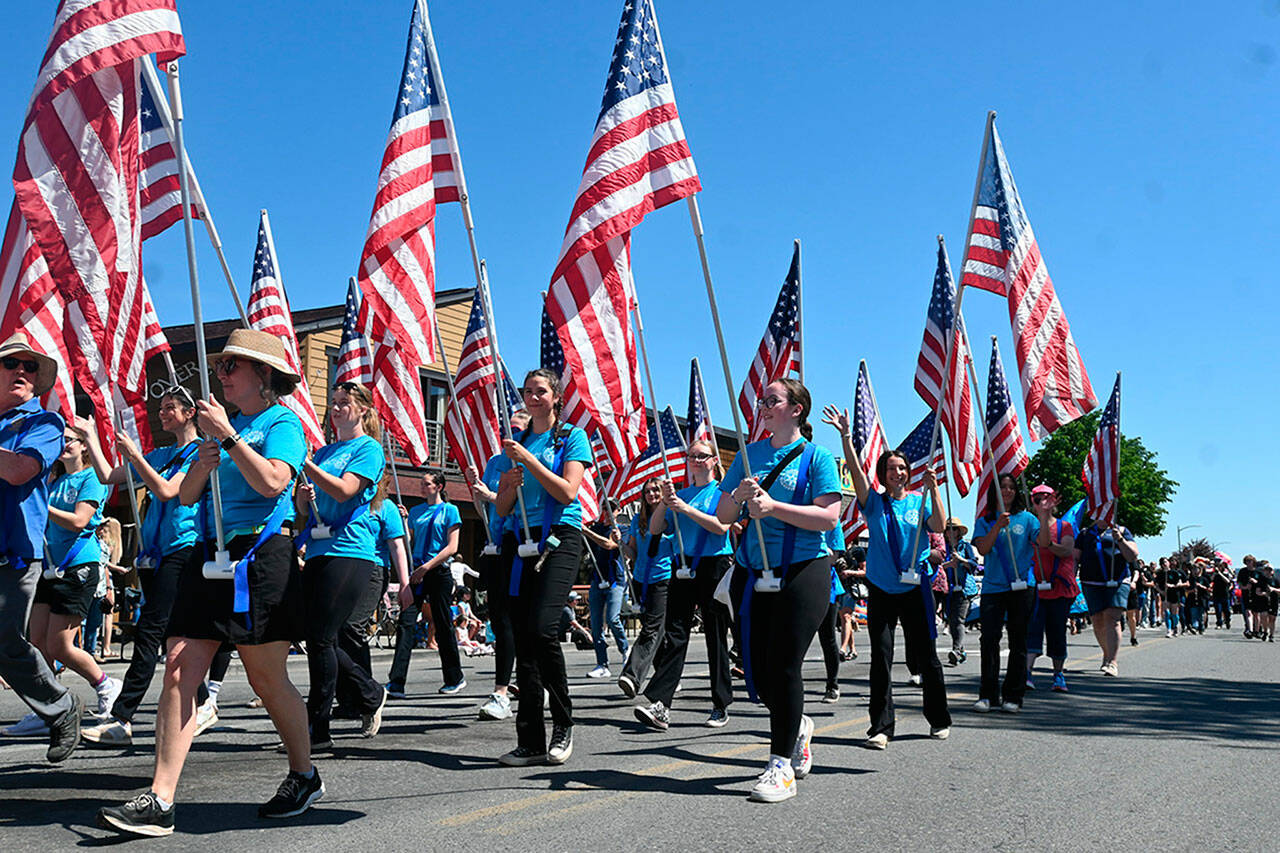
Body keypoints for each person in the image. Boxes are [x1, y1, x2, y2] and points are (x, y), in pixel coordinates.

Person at [97, 329, 318, 836]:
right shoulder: (224, 426)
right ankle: (161, 797)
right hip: (210, 552)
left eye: (230, 368)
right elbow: (187, 496)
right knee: (178, 666)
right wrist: (205, 454)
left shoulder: (282, 421)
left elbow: (273, 483)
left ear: (263, 375)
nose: (220, 376)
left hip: (260, 554)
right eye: (219, 369)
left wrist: (233, 440)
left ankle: (303, 773)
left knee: (265, 678)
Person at [710, 379, 840, 804]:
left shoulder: (818, 457)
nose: (763, 405)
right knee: (759, 671)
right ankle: (798, 724)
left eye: (773, 400)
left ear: (797, 408)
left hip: (803, 568)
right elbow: (724, 514)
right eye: (762, 400)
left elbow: (828, 518)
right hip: (753, 570)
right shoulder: (749, 455)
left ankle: (780, 764)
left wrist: (774, 507)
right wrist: (739, 495)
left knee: (784, 664)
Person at [78, 388, 201, 746]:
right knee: (173, 634)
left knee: (151, 632)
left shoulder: (201, 453)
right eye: (160, 408)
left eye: (170, 408)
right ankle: (206, 700)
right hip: (153, 554)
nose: (162, 414)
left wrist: (134, 454)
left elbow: (166, 491)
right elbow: (107, 476)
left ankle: (123, 717)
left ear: (190, 412)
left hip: (183, 549)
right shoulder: (162, 453)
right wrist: (92, 439)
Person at [825, 403, 949, 754]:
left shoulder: (919, 500)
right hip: (881, 588)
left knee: (927, 656)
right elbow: (853, 469)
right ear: (883, 474)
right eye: (891, 468)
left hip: (915, 587)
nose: (897, 472)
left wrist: (934, 490)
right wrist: (846, 436)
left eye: (902, 468)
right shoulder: (874, 502)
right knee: (881, 658)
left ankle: (938, 718)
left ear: (909, 473)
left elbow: (938, 526)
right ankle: (881, 727)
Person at [492, 368, 591, 766]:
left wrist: (529, 461)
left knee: (543, 629)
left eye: (541, 391)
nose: (533, 397)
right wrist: (508, 484)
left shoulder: (569, 438)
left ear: (556, 397)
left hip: (558, 537)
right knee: (522, 637)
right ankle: (529, 738)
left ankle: (563, 724)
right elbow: (500, 510)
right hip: (520, 540)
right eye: (528, 391)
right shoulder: (516, 445)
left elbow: (568, 491)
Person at [0, 332, 82, 762]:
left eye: (30, 367)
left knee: (5, 643)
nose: (21, 371)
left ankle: (61, 706)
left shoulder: (43, 424)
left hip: (11, 553)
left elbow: (18, 470)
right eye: (12, 363)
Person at [295, 381, 389, 745]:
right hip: (319, 549)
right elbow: (305, 508)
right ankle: (369, 693)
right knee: (317, 637)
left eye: (343, 403)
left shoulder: (368, 449)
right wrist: (304, 496)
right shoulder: (325, 451)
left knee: (321, 638)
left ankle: (317, 728)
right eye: (332, 403)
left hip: (351, 550)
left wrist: (307, 466)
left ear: (363, 409)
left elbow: (345, 490)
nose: (336, 409)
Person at [634, 438, 735, 730]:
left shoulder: (721, 492)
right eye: (691, 456)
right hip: (683, 563)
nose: (695, 460)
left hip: (714, 561)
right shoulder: (682, 492)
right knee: (675, 633)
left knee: (714, 635)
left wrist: (686, 509)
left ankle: (720, 703)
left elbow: (721, 527)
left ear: (715, 460)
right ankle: (661, 703)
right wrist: (666, 503)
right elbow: (655, 529)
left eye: (702, 456)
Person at [30, 421, 122, 724]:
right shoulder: (53, 483)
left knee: (60, 645)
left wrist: (43, 506)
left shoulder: (91, 478)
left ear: (84, 445)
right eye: (61, 440)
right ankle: (50, 705)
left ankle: (106, 685)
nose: (64, 444)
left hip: (78, 567)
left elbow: (80, 521)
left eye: (70, 439)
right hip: (51, 568)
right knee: (37, 641)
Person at [467, 410, 530, 720]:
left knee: (527, 621)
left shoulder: (529, 460)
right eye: (508, 431)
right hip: (498, 545)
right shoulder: (494, 462)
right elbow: (488, 507)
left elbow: (515, 502)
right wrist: (478, 493)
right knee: (501, 619)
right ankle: (502, 691)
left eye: (518, 430)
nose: (512, 436)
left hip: (524, 543)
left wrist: (491, 496)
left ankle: (528, 683)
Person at [335, 481, 411, 720]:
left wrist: (405, 584)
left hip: (374, 570)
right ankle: (348, 698)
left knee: (352, 628)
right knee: (336, 633)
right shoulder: (345, 503)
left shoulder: (385, 507)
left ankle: (367, 694)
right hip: (344, 568)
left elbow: (397, 545)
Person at [388, 471, 465, 697]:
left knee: (442, 623)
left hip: (438, 571)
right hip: (417, 573)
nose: (422, 487)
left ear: (439, 486)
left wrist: (427, 567)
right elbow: (409, 541)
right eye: (422, 484)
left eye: (427, 484)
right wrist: (403, 523)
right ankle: (396, 682)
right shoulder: (416, 511)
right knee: (406, 621)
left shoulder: (451, 511)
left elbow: (452, 547)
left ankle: (454, 677)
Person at [971, 474, 1038, 712]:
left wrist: (1047, 515)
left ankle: (1014, 695)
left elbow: (1045, 542)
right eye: (1003, 487)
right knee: (989, 640)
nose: (1008, 491)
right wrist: (997, 526)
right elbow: (983, 548)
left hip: (1022, 587)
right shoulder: (985, 520)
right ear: (995, 492)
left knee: (1018, 640)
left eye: (1011, 487)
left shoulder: (1028, 519)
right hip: (993, 587)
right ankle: (988, 694)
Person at [616, 478, 674, 698]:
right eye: (647, 491)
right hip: (641, 579)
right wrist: (620, 543)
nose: (651, 494)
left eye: (655, 490)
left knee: (651, 627)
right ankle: (666, 677)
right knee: (656, 630)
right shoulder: (636, 521)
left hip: (663, 578)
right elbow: (633, 553)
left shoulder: (670, 516)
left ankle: (631, 676)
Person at [1073, 515, 1139, 677]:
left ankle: (1113, 661)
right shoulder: (1085, 533)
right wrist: (1072, 579)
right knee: (1097, 620)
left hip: (1117, 581)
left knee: (1112, 617)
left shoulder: (1121, 530)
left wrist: (1121, 540)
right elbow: (1076, 558)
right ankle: (1106, 652)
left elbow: (1132, 555)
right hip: (1091, 582)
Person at [1027, 484, 1077, 693]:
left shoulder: (1063, 526)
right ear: (1033, 502)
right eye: (1039, 499)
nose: (1043, 502)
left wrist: (1048, 545)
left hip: (1059, 587)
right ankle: (1027, 673)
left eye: (1047, 498)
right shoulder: (1030, 526)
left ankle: (1058, 674)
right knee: (1032, 630)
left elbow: (1067, 549)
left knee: (1057, 631)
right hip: (1035, 587)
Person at [582, 500, 628, 680]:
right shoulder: (598, 528)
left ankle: (625, 651)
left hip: (615, 580)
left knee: (612, 618)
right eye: (605, 508)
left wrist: (587, 532)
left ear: (618, 510)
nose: (608, 512)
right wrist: (586, 532)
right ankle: (602, 663)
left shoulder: (622, 530)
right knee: (595, 624)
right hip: (597, 579)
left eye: (612, 508)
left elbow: (610, 545)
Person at [940, 518, 978, 666]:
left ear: (958, 532)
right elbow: (935, 567)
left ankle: (956, 650)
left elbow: (974, 565)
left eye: (954, 529)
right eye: (948, 528)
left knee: (958, 620)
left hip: (963, 589)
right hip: (947, 588)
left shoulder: (965, 546)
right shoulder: (943, 547)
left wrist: (961, 560)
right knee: (951, 619)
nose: (951, 531)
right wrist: (948, 565)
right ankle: (960, 651)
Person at [1249, 560, 1277, 642]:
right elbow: (1257, 591)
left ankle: (1272, 635)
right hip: (1264, 601)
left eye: (1270, 570)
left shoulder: (1276, 580)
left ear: (1272, 571)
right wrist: (1265, 593)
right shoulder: (1261, 580)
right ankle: (1265, 631)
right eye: (1266, 570)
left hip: (1274, 601)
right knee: (1264, 616)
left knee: (1272, 618)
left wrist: (1273, 589)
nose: (1268, 572)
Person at [1237, 556, 1257, 638]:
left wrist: (1255, 582)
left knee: (1256, 613)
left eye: (1250, 561)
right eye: (1247, 561)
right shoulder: (1242, 571)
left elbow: (1263, 583)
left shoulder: (1257, 572)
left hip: (1256, 595)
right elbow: (1239, 583)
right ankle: (1250, 630)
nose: (1249, 563)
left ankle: (1257, 628)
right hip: (1246, 594)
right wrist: (1245, 587)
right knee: (1247, 612)